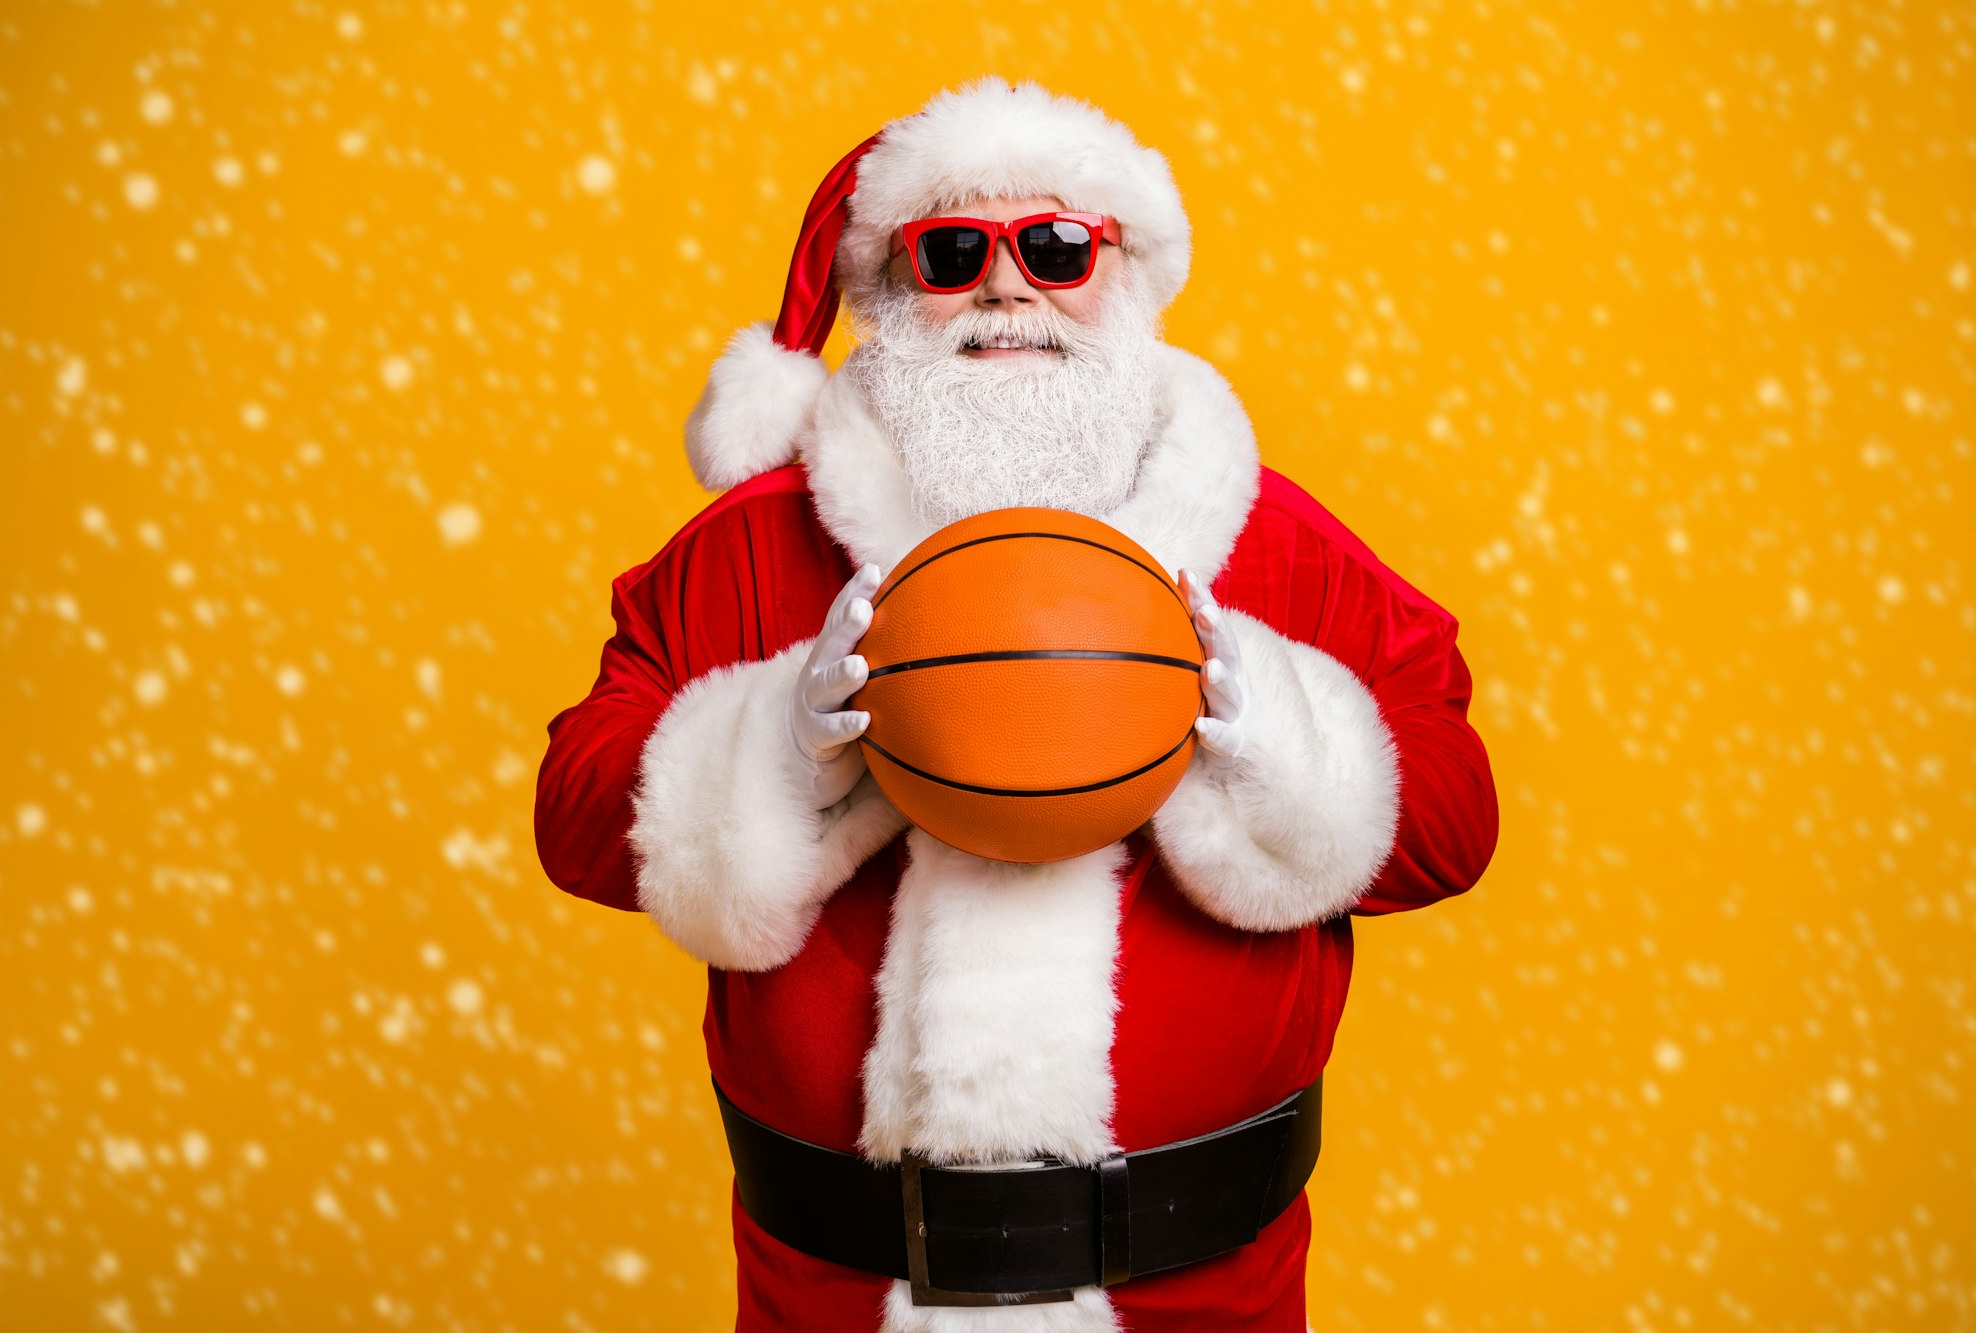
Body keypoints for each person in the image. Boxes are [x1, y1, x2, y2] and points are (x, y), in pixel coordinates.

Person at [534, 77, 1499, 1332]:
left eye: (1055, 248)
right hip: (831, 1289)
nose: (1006, 288)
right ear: (884, 298)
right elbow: (571, 815)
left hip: (1203, 1290)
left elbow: (1454, 820)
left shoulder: (1279, 546)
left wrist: (1266, 734)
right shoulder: (745, 549)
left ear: (1126, 282)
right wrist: (776, 750)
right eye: (950, 254)